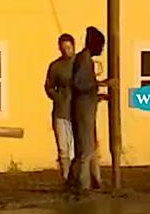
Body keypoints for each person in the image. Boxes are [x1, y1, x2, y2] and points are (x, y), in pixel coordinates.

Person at [68, 26, 106, 194]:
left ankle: (94, 182)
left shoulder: (85, 59)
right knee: (86, 149)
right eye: (101, 45)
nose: (102, 49)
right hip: (83, 112)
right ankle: (82, 187)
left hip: (87, 109)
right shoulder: (84, 60)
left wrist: (100, 95)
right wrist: (100, 84)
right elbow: (79, 84)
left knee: (90, 147)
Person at [44, 33, 77, 183]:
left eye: (69, 48)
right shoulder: (55, 66)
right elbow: (49, 87)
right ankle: (65, 177)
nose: (66, 51)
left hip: (78, 111)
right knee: (63, 147)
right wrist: (58, 98)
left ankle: (79, 177)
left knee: (77, 147)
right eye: (63, 48)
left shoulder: (81, 64)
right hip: (61, 111)